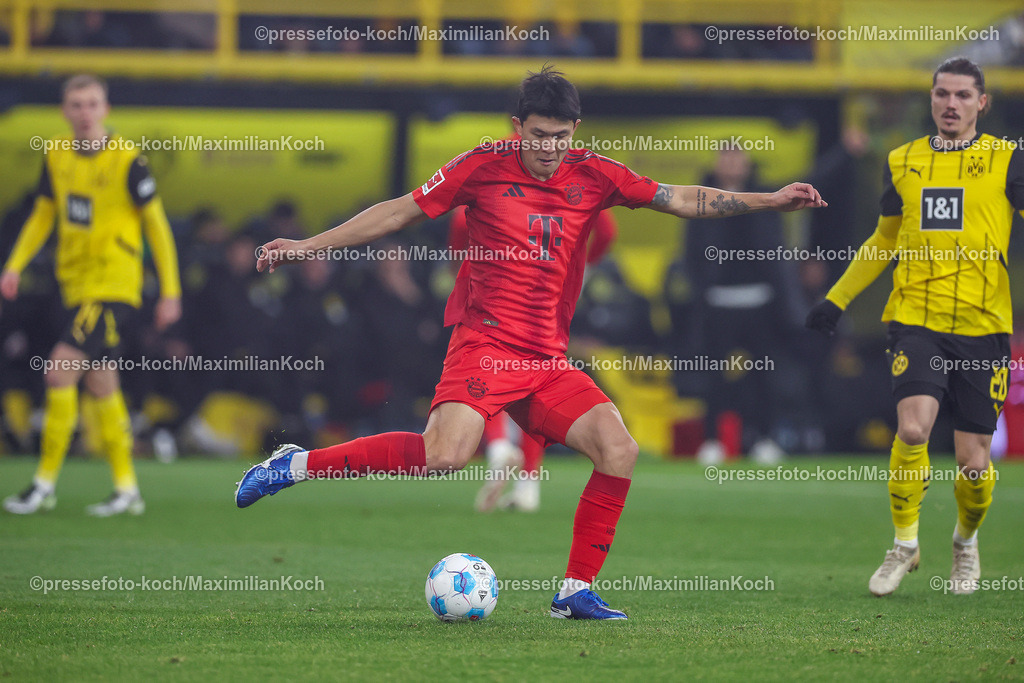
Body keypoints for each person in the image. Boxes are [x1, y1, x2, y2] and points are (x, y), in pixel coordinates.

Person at [238, 66, 825, 620]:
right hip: (485, 347)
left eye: (562, 137)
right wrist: (308, 246)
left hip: (546, 359)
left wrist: (770, 200)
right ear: (517, 127)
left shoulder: (594, 173)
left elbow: (679, 198)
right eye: (540, 135)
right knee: (444, 456)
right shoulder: (480, 166)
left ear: (577, 131)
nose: (550, 148)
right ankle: (298, 463)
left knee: (618, 450)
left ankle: (575, 591)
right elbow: (398, 213)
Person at [806, 57, 1024, 596]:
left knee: (974, 461)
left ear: (982, 103)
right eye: (942, 94)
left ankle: (965, 542)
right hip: (915, 318)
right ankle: (904, 543)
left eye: (963, 96)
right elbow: (884, 239)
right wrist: (835, 300)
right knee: (912, 429)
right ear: (931, 100)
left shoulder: (1007, 161)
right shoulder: (903, 160)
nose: (951, 104)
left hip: (983, 324)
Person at [1, 74, 182, 516]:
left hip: (113, 286)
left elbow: (157, 226)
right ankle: (127, 488)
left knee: (59, 373)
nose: (84, 113)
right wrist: (15, 264)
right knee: (102, 383)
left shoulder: (127, 160)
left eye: (92, 104)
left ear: (106, 109)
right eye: (76, 105)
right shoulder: (57, 154)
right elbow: (44, 215)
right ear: (65, 111)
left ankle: (43, 484)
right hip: (75, 285)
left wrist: (171, 291)